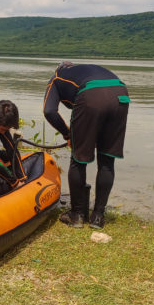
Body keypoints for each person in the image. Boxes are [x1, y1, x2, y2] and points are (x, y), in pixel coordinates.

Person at [43, 62, 129, 229]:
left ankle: (77, 215)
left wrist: (68, 134)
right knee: (107, 159)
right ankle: (98, 217)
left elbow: (49, 111)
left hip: (91, 95)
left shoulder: (57, 77)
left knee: (78, 159)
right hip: (120, 94)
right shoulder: (84, 71)